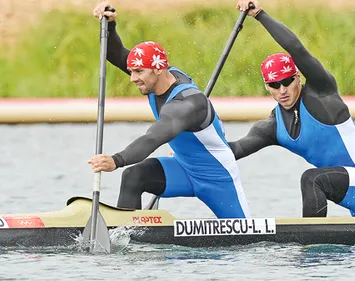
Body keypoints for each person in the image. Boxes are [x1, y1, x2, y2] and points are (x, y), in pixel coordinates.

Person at [232, 0, 355, 217]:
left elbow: (297, 49)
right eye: (274, 85)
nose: (282, 90)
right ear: (266, 87)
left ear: (298, 77)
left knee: (312, 179)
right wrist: (191, 146)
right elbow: (232, 150)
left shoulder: (322, 93)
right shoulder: (273, 127)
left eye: (287, 81)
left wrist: (259, 14)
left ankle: (313, 250)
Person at [88, 2, 250, 219]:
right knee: (134, 176)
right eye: (131, 71)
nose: (132, 78)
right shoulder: (158, 77)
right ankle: (125, 237)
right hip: (183, 169)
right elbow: (116, 53)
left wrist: (116, 160)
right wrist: (109, 24)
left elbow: (154, 137)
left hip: (218, 178)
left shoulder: (188, 104)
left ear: (158, 70)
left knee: (244, 237)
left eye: (138, 72)